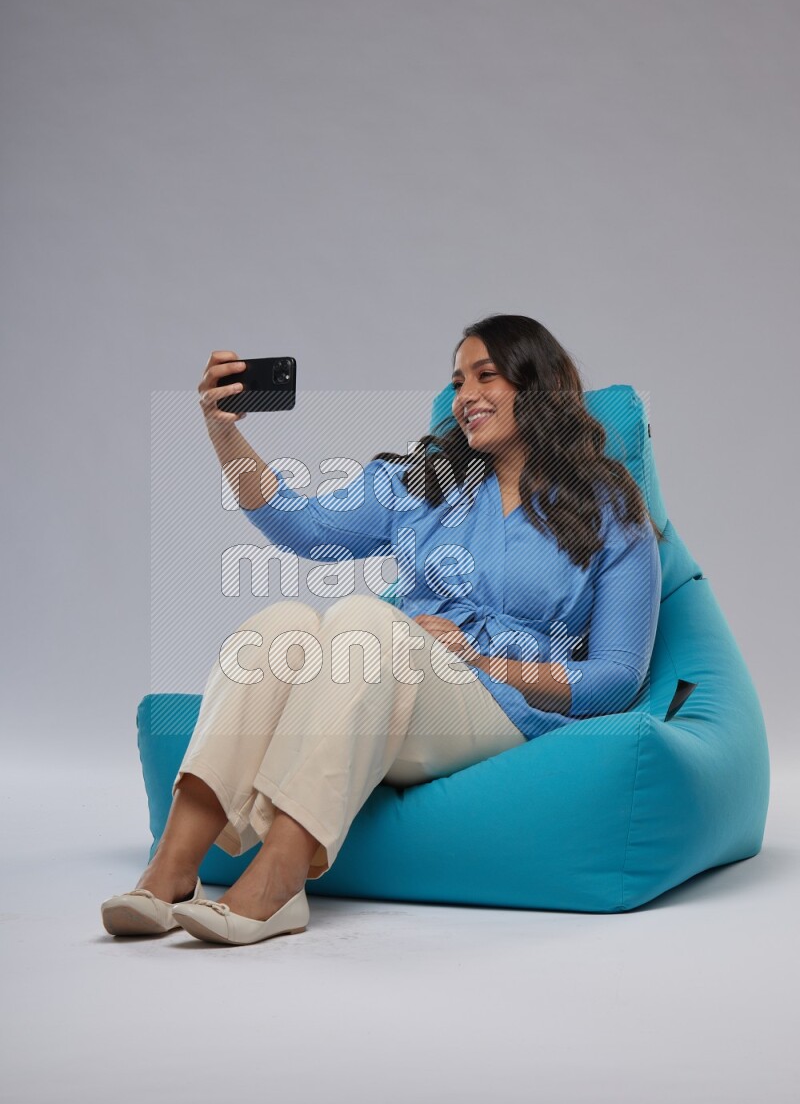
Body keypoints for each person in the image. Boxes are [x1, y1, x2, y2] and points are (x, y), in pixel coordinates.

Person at [101, 313, 663, 946]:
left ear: (540, 386)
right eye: (457, 383)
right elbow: (302, 523)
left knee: (367, 620)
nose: (465, 397)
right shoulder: (425, 482)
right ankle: (171, 871)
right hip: (383, 694)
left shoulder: (613, 513)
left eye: (487, 376)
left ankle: (279, 880)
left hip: (499, 712)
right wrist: (222, 432)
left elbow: (617, 678)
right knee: (278, 624)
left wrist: (483, 663)